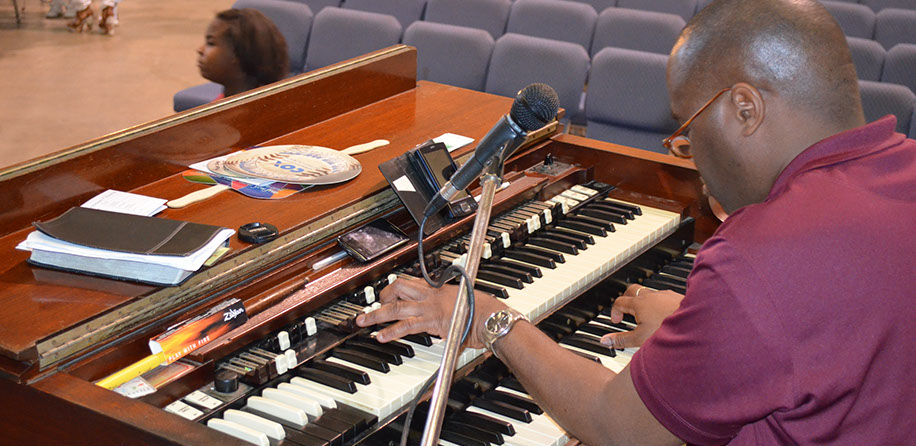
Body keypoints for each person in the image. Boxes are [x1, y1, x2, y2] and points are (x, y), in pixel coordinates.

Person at [356, 0, 916, 444]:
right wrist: (711, 332)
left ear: (745, 109)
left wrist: (491, 321)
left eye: (687, 128)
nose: (689, 153)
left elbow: (616, 425)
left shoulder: (762, 254)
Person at [197, 9, 290, 100]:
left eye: (211, 43)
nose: (200, 50)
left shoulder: (260, 108)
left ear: (237, 53)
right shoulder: (223, 100)